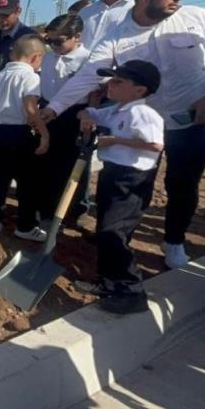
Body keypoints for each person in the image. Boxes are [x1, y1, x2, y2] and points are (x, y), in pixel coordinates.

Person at [40, 0, 205, 270]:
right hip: (143, 124)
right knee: (133, 185)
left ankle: (173, 241)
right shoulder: (118, 37)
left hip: (192, 119)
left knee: (183, 184)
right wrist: (53, 108)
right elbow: (89, 75)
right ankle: (118, 243)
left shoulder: (196, 18)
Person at [74, 60, 164, 314]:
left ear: (140, 90)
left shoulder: (143, 114)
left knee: (113, 233)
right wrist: (86, 115)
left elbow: (155, 145)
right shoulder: (117, 109)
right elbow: (91, 114)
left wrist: (114, 140)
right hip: (112, 174)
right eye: (111, 80)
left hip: (131, 180)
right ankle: (108, 282)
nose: (110, 86)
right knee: (105, 228)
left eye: (118, 82)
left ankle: (131, 291)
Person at [0, 34, 49, 240]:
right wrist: (44, 134)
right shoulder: (30, 77)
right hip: (18, 134)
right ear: (35, 57)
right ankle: (25, 226)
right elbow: (31, 109)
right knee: (27, 182)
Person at [38, 14, 93, 227]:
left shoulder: (87, 60)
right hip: (46, 112)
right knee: (44, 163)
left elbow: (97, 92)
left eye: (58, 41)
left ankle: (63, 215)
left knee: (67, 167)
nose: (53, 46)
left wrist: (90, 118)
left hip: (74, 117)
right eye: (49, 41)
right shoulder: (49, 57)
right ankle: (43, 211)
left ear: (76, 37)